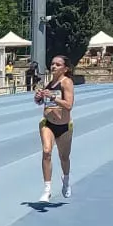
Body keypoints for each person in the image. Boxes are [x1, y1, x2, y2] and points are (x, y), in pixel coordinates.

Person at [34, 53, 74, 203]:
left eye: (58, 64)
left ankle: (66, 179)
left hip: (64, 126)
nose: (53, 66)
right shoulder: (49, 83)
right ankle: (47, 189)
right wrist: (39, 98)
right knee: (46, 152)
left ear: (65, 69)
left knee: (64, 157)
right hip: (48, 124)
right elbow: (42, 102)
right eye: (52, 64)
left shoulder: (66, 82)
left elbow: (69, 105)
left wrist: (53, 97)